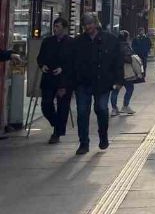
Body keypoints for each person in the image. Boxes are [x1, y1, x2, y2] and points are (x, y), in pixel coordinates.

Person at [72, 13, 124, 154]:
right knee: (82, 112)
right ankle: (84, 143)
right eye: (85, 24)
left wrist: (119, 80)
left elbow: (118, 61)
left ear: (96, 23)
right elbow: (72, 63)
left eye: (90, 23)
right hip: (83, 82)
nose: (88, 27)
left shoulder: (110, 40)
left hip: (103, 82)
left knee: (101, 109)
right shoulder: (78, 41)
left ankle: (103, 136)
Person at [37, 17, 74, 144]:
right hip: (48, 77)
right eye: (54, 26)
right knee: (46, 104)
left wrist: (63, 69)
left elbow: (74, 62)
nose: (55, 29)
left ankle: (57, 133)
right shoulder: (47, 41)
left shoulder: (71, 43)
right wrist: (42, 65)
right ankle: (56, 123)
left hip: (64, 79)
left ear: (64, 28)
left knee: (63, 107)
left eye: (58, 26)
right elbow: (40, 57)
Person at [110, 31, 138, 116]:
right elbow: (128, 58)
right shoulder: (125, 46)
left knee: (115, 90)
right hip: (125, 72)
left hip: (115, 72)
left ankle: (114, 109)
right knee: (130, 88)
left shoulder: (113, 45)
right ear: (126, 37)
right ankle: (125, 106)